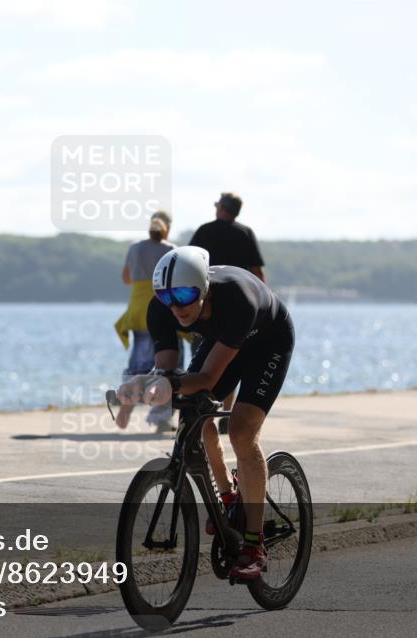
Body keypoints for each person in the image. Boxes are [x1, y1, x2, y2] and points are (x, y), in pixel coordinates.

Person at [116, 246, 295, 581]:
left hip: (267, 342)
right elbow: (167, 373)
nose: (177, 306)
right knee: (192, 420)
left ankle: (254, 546)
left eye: (184, 294)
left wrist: (161, 386)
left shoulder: (236, 298)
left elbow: (208, 379)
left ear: (204, 289)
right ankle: (228, 495)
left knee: (241, 432)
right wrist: (144, 384)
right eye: (167, 296)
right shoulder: (162, 310)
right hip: (223, 341)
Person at [189, 192, 266, 432]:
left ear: (221, 208)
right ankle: (223, 413)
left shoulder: (204, 230)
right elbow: (257, 273)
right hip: (237, 306)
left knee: (201, 362)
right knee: (229, 360)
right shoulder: (245, 233)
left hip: (205, 305)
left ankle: (202, 411)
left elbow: (188, 263)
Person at [114, 211, 178, 432]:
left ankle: (127, 401)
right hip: (161, 308)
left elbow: (125, 278)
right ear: (167, 228)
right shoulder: (171, 250)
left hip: (138, 309)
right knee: (168, 366)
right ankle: (161, 417)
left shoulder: (134, 248)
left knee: (138, 362)